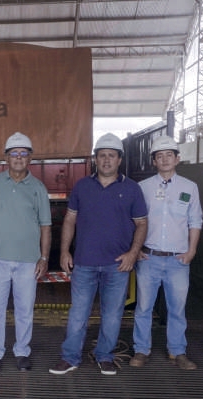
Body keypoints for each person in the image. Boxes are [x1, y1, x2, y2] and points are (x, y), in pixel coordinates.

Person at [49, 133, 148, 376]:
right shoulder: (83, 186)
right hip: (84, 263)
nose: (106, 160)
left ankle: (105, 356)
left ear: (119, 160)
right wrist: (64, 252)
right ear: (95, 159)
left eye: (111, 156)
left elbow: (142, 223)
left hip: (117, 265)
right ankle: (70, 357)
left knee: (112, 315)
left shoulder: (132, 189)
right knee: (78, 314)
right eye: (101, 155)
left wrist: (132, 254)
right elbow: (70, 219)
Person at [0, 132, 51, 373]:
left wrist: (44, 257)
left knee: (24, 310)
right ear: (6, 157)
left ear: (30, 158)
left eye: (23, 153)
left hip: (28, 261)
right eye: (14, 154)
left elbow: (45, 225)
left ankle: (22, 352)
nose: (18, 158)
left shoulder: (38, 188)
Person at [131, 135, 202, 370]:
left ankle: (178, 351)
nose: (164, 159)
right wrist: (137, 249)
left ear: (177, 159)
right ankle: (141, 350)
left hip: (178, 259)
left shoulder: (189, 187)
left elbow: (195, 221)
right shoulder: (143, 188)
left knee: (177, 309)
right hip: (149, 257)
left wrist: (191, 251)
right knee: (143, 308)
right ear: (154, 161)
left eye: (168, 155)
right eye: (159, 156)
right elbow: (135, 221)